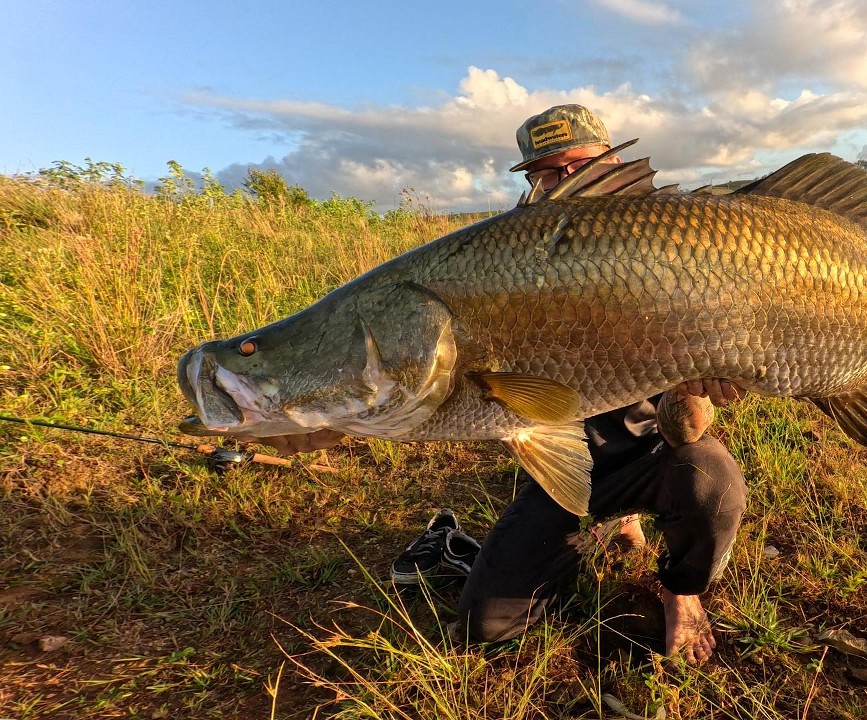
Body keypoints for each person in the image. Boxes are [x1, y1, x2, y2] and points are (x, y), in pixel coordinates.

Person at [238, 105, 749, 664]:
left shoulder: (668, 248)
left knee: (709, 473)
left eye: (576, 167)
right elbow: (425, 392)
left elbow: (688, 429)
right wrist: (327, 420)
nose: (563, 183)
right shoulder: (504, 260)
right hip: (563, 467)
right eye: (544, 174)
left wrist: (694, 385)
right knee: (488, 625)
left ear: (613, 162)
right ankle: (604, 524)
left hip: (652, 453)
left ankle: (683, 591)